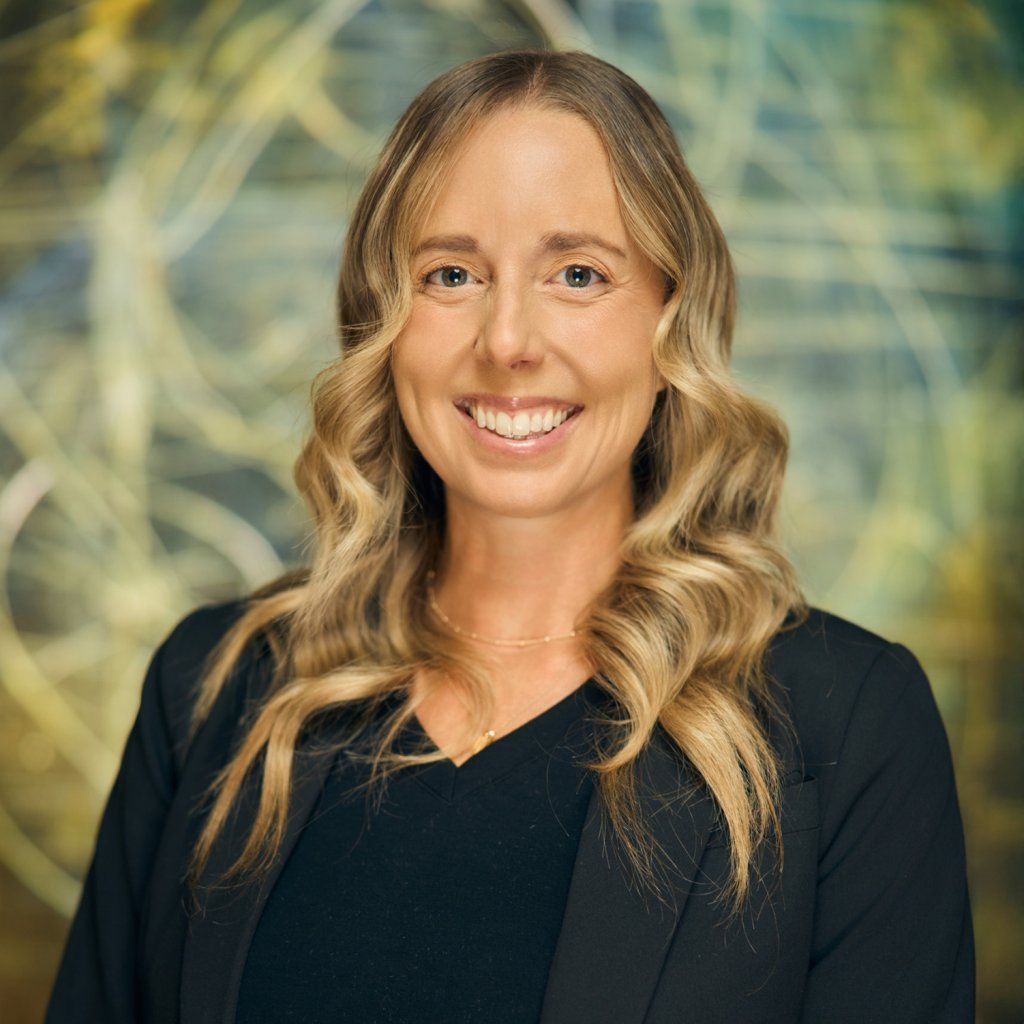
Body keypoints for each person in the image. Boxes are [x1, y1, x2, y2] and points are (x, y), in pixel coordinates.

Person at [46, 50, 973, 1023]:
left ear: (668, 319)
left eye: (578, 273)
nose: (506, 341)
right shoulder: (215, 694)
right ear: (384, 320)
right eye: (451, 273)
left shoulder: (842, 725)